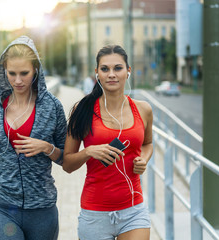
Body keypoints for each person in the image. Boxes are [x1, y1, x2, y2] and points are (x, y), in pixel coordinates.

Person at [0, 35, 67, 240]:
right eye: (12, 73)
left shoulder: (52, 107)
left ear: (36, 70)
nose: (18, 80)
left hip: (42, 209)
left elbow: (66, 158)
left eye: (24, 73)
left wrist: (46, 147)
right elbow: (3, 154)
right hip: (4, 206)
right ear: (4, 71)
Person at [63, 45, 153, 240]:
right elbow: (67, 164)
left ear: (128, 71)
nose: (111, 74)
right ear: (97, 73)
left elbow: (147, 144)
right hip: (95, 213)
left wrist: (143, 159)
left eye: (118, 68)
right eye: (105, 69)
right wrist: (89, 152)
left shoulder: (143, 109)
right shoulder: (82, 110)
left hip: (133, 211)